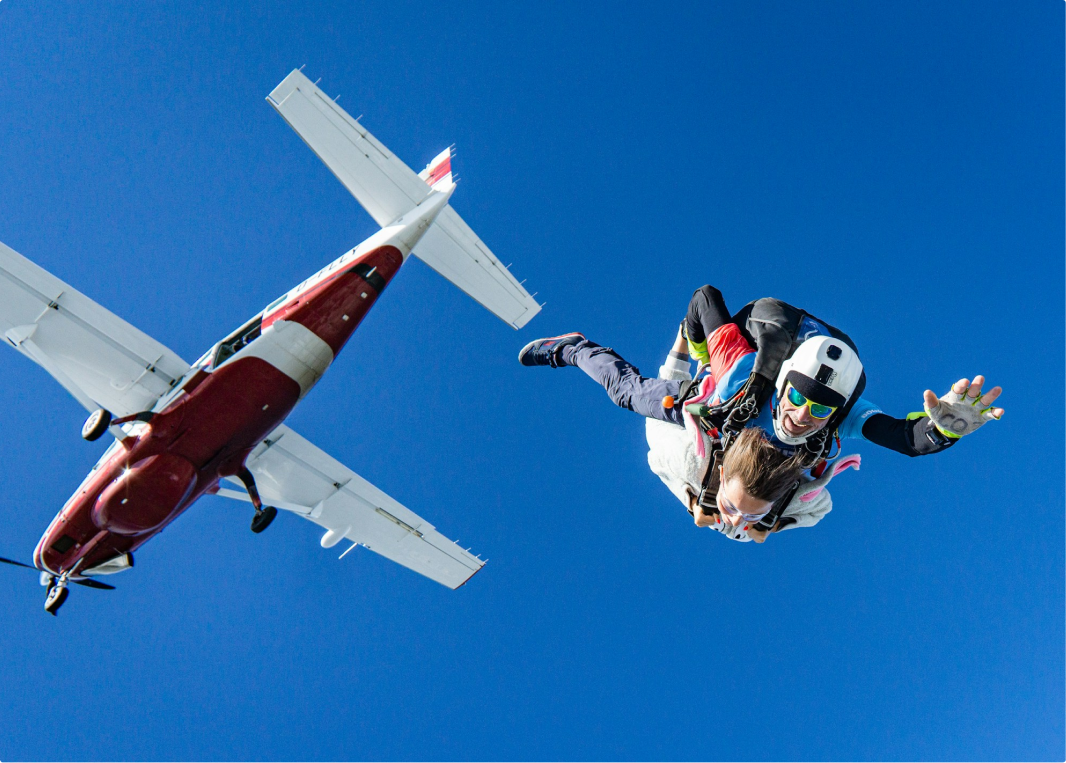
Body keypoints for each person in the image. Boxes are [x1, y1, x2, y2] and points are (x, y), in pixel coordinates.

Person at [519, 285, 1005, 536]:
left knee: (761, 503)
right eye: (796, 398)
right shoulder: (738, 373)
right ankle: (574, 346)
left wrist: (943, 430)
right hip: (734, 368)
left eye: (820, 409)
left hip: (758, 419)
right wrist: (701, 350)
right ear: (783, 383)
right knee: (631, 395)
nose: (802, 415)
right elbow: (704, 297)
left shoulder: (842, 413)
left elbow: (904, 439)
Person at [647, 330, 861, 542]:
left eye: (728, 507)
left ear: (722, 478)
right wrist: (775, 522)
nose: (735, 519)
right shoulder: (784, 499)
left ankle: (700, 336)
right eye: (752, 515)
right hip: (790, 426)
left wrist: (691, 500)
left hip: (738, 410)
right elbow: (820, 508)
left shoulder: (694, 465)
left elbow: (658, 435)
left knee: (668, 405)